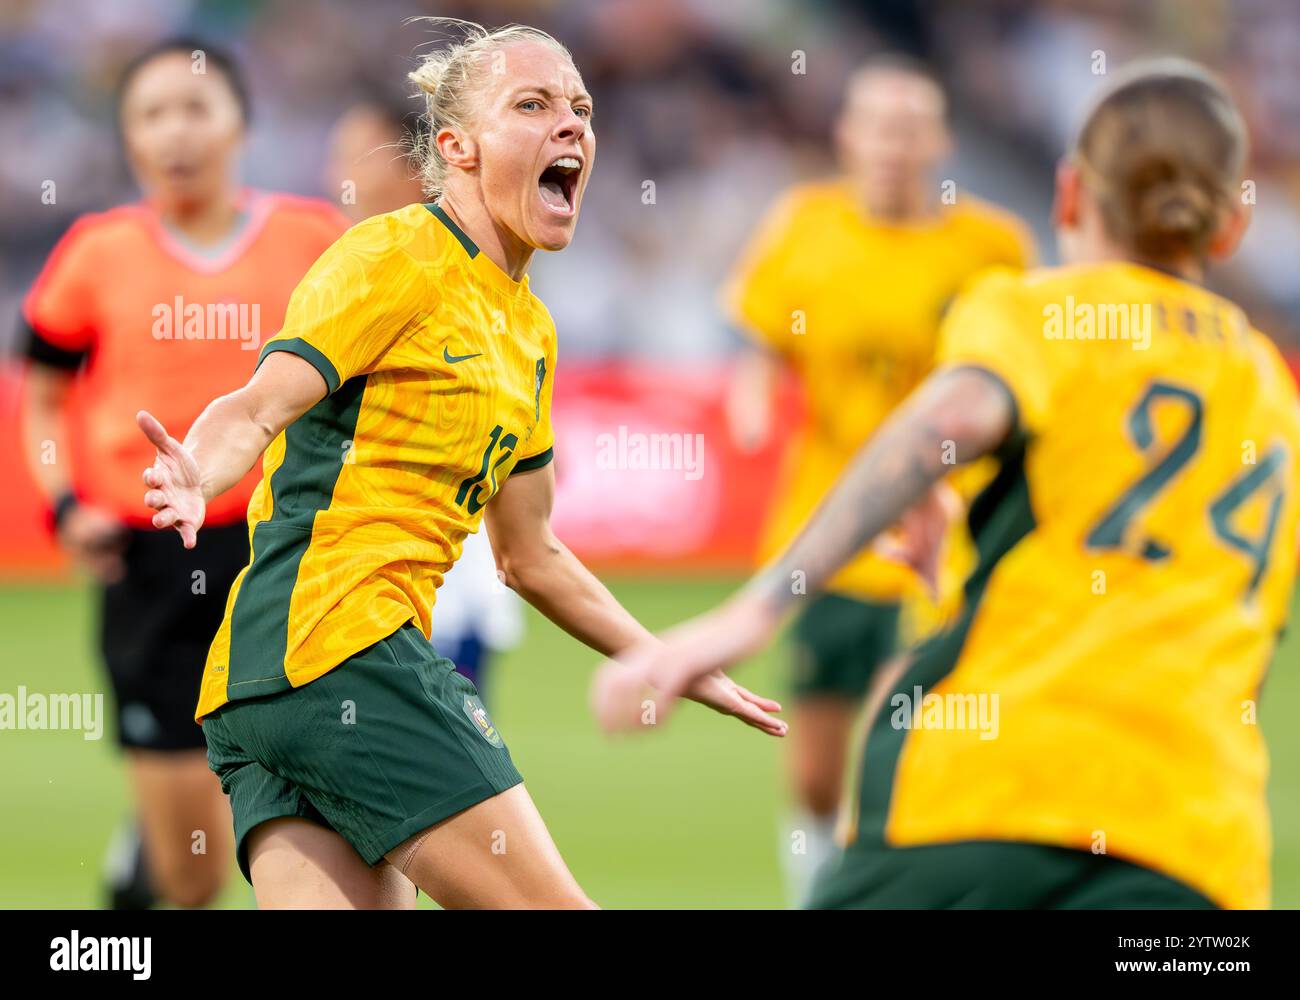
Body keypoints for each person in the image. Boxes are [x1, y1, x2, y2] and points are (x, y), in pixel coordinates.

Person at [594, 58, 1300, 910]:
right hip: (1200, 850)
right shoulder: (1270, 391)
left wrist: (755, 608)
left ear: (1070, 195)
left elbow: (951, 421)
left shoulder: (1038, 310)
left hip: (988, 802)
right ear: (1228, 230)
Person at [137, 20, 785, 910]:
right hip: (343, 651)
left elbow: (532, 555)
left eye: (582, 109)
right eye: (533, 104)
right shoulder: (394, 256)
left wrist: (670, 657)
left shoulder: (530, 333)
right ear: (457, 148)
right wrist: (194, 473)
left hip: (267, 688)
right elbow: (256, 406)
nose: (571, 125)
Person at [19, 37, 346, 908]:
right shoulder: (95, 252)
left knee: (320, 831)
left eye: (196, 107)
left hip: (285, 556)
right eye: (151, 113)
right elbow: (44, 399)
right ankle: (146, 861)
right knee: (191, 880)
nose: (176, 132)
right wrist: (63, 504)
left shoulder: (317, 239)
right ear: (127, 139)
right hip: (150, 561)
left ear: (242, 122)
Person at [722, 54, 1032, 901]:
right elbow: (762, 344)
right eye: (878, 126)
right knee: (818, 772)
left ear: (939, 139)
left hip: (952, 538)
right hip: (833, 532)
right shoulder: (804, 225)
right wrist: (751, 402)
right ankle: (817, 890)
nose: (894, 145)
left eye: (911, 127)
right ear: (847, 136)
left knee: (919, 743)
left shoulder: (991, 245)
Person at [324, 97, 525, 698]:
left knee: (449, 762)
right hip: (352, 576)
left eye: (354, 156)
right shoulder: (347, 265)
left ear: (412, 165)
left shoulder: (468, 272)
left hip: (439, 569)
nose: (340, 176)